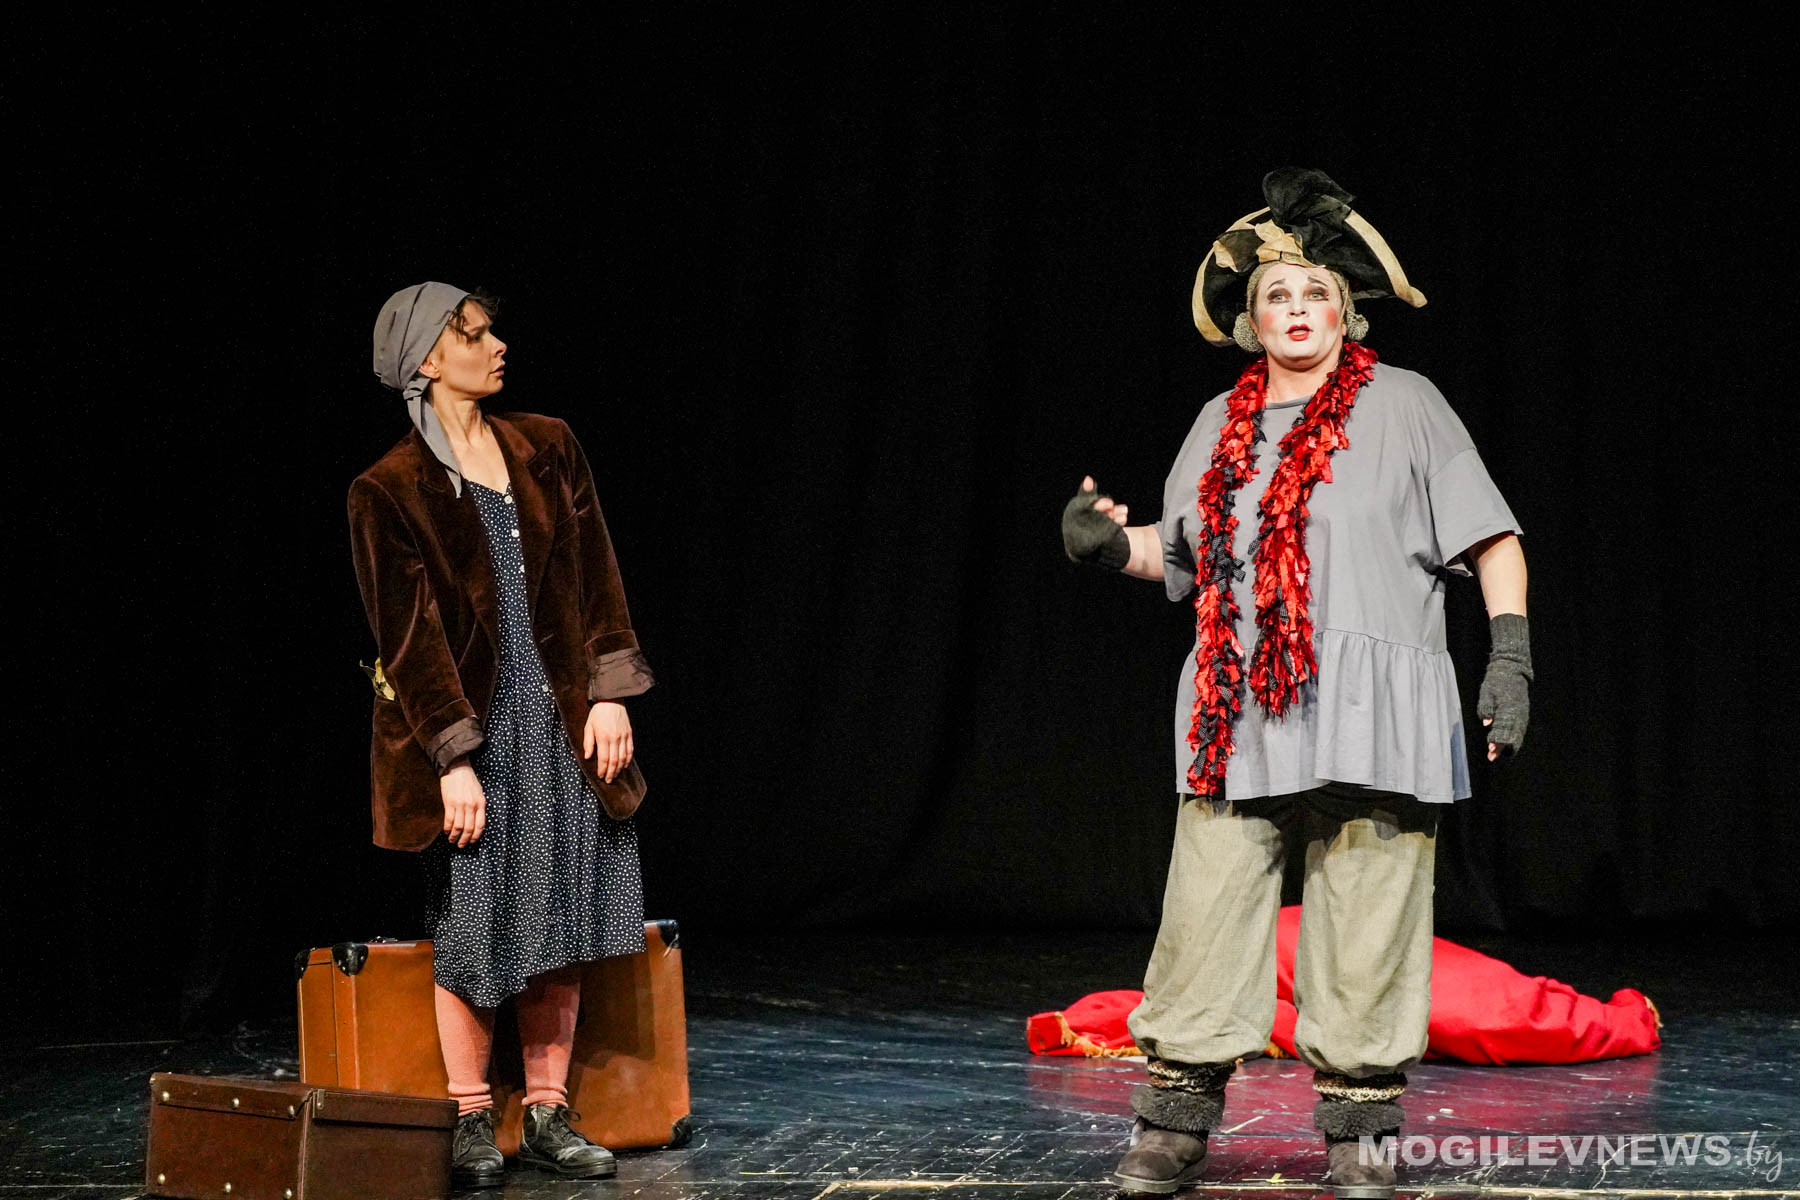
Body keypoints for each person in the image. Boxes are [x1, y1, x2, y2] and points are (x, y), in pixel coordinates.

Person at [1061, 170, 1531, 1199]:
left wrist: (1510, 652)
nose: (1298, 308)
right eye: (1278, 294)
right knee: (1204, 916)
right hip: (1239, 714)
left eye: (1317, 292)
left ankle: (1360, 1131)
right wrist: (1105, 546)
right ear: (1252, 320)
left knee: (1368, 917)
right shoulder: (1215, 422)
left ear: (1346, 311)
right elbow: (1177, 557)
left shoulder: (1407, 405)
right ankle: (1174, 1122)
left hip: (1375, 711)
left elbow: (1490, 535)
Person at [351, 282, 656, 1187]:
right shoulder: (388, 490)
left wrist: (609, 693)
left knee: (562, 906)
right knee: (475, 919)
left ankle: (550, 1114)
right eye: (474, 335)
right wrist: (453, 758)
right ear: (426, 360)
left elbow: (598, 576)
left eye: (491, 331)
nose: (497, 346)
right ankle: (471, 1118)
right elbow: (408, 642)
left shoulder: (547, 446)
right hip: (473, 732)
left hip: (561, 713)